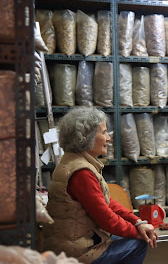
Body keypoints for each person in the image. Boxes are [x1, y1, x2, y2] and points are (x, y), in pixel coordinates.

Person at [43, 107, 157, 264]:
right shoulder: (82, 172)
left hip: (72, 243)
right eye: (103, 132)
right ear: (86, 138)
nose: (108, 138)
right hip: (76, 252)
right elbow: (106, 219)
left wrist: (137, 222)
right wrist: (137, 233)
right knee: (138, 244)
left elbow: (106, 202)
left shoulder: (72, 161)